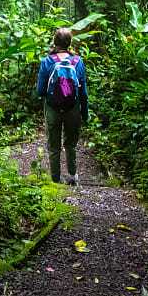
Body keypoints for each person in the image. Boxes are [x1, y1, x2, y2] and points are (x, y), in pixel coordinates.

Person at [35, 27, 88, 185]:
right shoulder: (78, 62)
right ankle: (72, 176)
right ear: (70, 43)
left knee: (54, 145)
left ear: (54, 42)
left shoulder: (47, 62)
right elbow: (83, 92)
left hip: (53, 108)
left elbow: (40, 91)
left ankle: (55, 179)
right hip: (73, 108)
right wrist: (84, 113)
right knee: (71, 144)